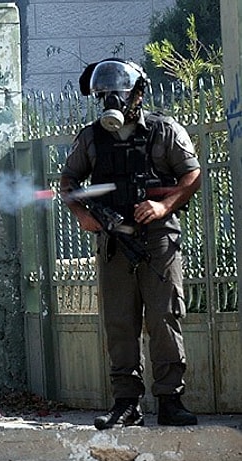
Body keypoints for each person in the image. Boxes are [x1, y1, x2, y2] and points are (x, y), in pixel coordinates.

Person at [59, 59, 201, 430]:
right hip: (114, 241)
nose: (112, 100)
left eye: (118, 93)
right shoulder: (91, 137)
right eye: (104, 94)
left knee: (163, 317)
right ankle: (127, 404)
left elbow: (192, 174)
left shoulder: (164, 130)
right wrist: (82, 215)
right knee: (120, 322)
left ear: (138, 93)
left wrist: (163, 205)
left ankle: (170, 400)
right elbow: (69, 181)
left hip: (157, 240)